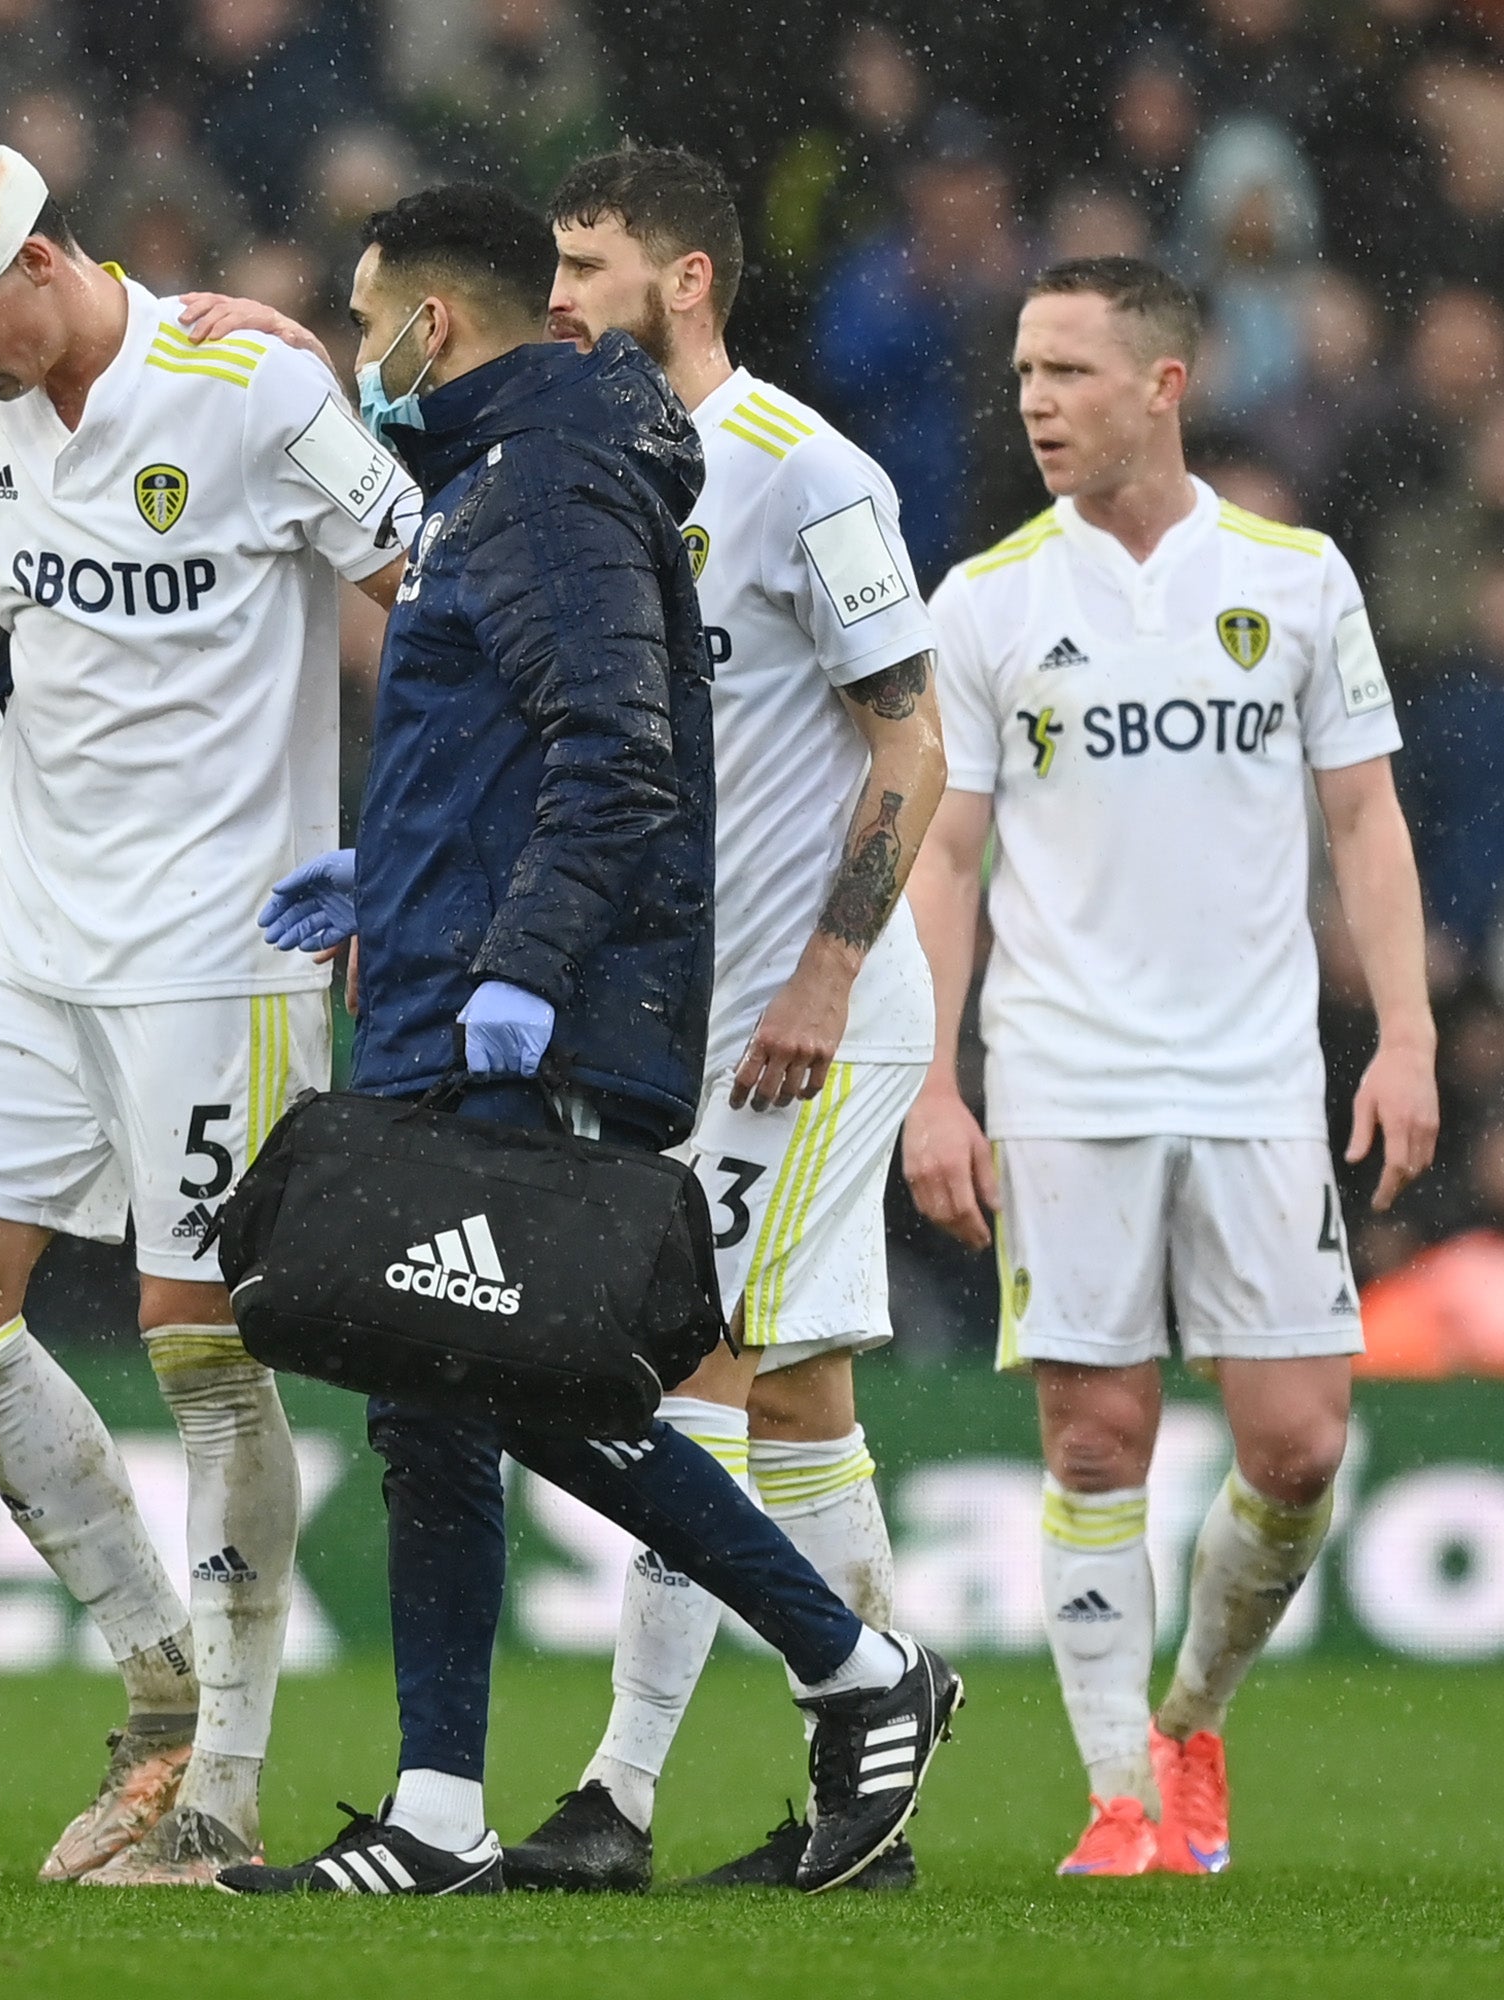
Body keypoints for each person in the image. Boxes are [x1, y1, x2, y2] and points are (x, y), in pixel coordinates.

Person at [216, 184, 962, 1901]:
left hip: (597, 1008)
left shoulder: (579, 476)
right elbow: (522, 738)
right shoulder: (511, 471)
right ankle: (453, 1812)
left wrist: (535, 964)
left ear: (432, 325)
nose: (355, 349)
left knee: (552, 1377)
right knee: (452, 1389)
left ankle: (842, 1674)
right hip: (515, 984)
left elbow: (634, 750)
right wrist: (396, 879)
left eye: (361, 317)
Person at [0, 131, 416, 1886]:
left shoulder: (252, 383)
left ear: (37, 261)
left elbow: (427, 589)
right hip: (38, 939)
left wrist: (415, 850)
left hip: (224, 943)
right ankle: (162, 1679)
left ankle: (222, 1789)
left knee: (204, 1344)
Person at [903, 256, 1440, 1878]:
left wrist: (1404, 1036)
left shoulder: (1295, 578)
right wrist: (935, 1081)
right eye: (1019, 375)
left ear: (1163, 385)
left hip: (1259, 1078)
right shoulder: (989, 599)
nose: (1036, 403)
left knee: (1297, 1447)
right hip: (1065, 1080)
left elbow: (1364, 818)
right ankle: (1112, 1803)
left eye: (1068, 371)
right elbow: (947, 861)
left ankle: (1189, 1714)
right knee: (1093, 1443)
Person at [516, 146, 947, 1894]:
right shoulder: (594, 470)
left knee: (688, 1374)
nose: (557, 294)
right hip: (677, 1021)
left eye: (586, 263)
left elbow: (914, 748)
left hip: (808, 1012)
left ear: (685, 278)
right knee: (802, 1407)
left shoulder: (811, 478)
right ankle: (889, 1761)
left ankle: (615, 1801)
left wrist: (827, 978)